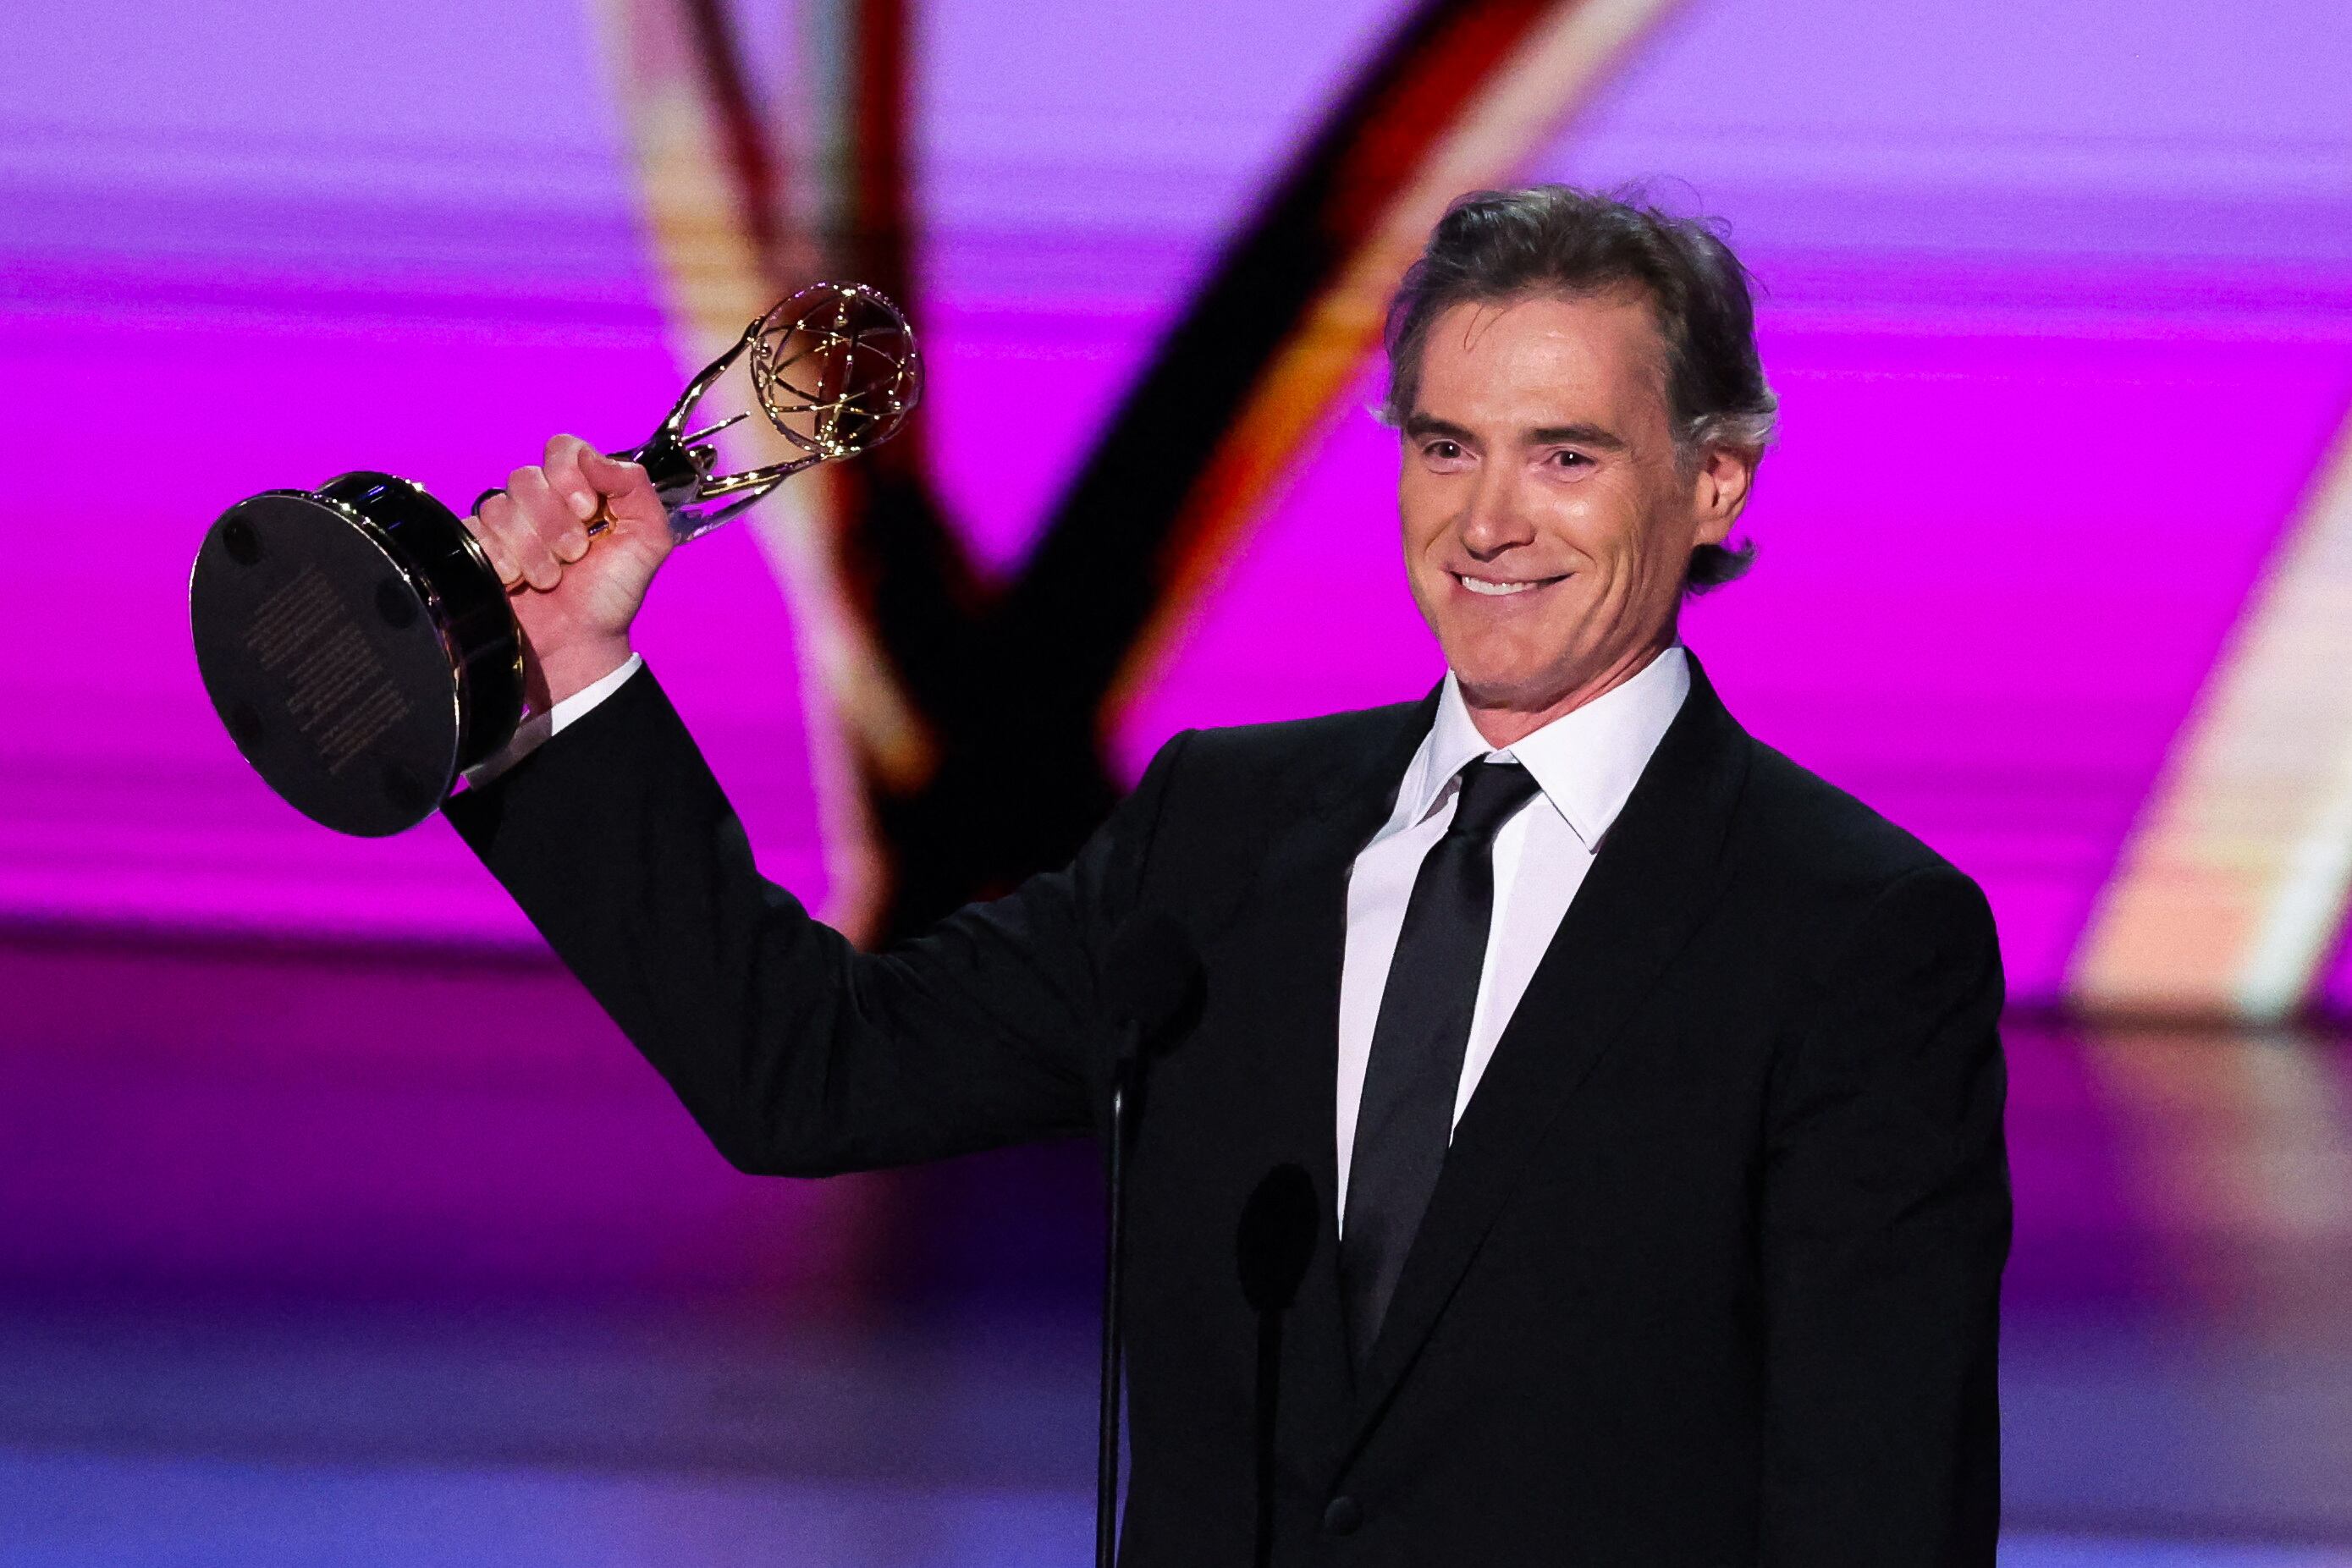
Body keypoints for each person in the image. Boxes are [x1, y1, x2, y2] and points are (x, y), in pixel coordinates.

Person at [451, 185, 2008, 1565]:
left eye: (1568, 455)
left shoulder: (1853, 935)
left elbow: (1879, 1509)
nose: (1487, 520)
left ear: (1715, 485)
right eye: (1448, 445)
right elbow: (811, 1072)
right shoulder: (1223, 832)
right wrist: (573, 676)